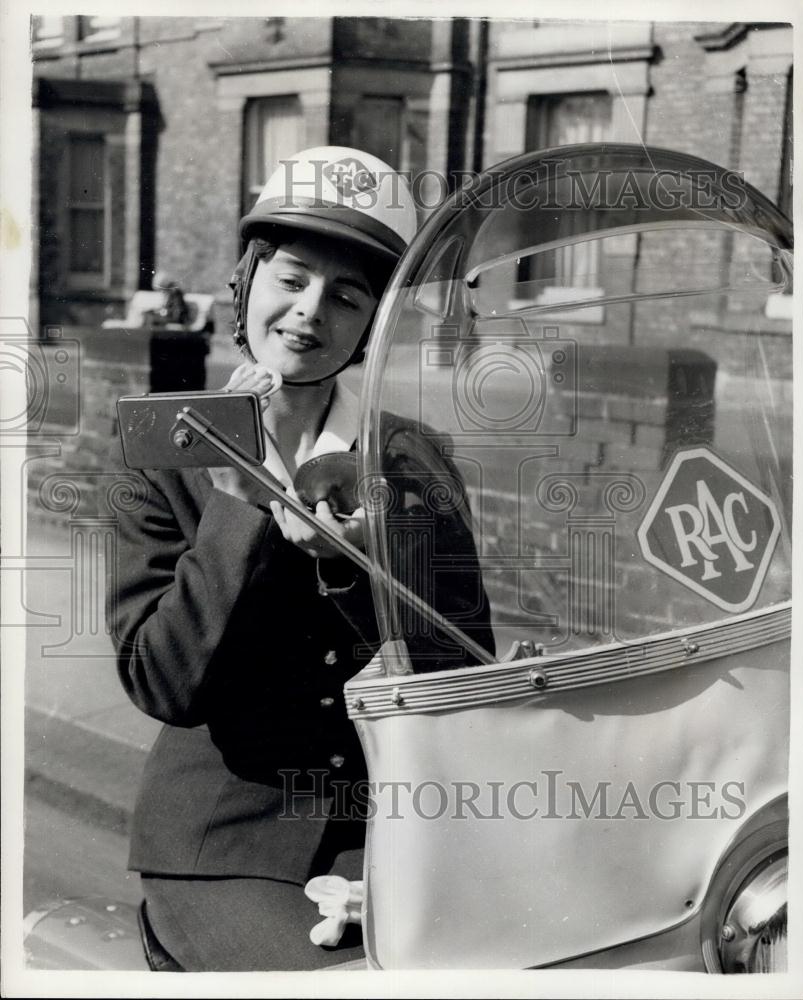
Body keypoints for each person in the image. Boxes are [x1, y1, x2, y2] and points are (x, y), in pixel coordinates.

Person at [108, 146, 493, 971]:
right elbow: (160, 680)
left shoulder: (412, 461)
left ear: (371, 326)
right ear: (247, 283)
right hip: (223, 839)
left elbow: (462, 671)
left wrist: (355, 570)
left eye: (347, 295)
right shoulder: (158, 449)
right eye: (292, 278)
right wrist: (239, 507)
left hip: (384, 832)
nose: (311, 313)